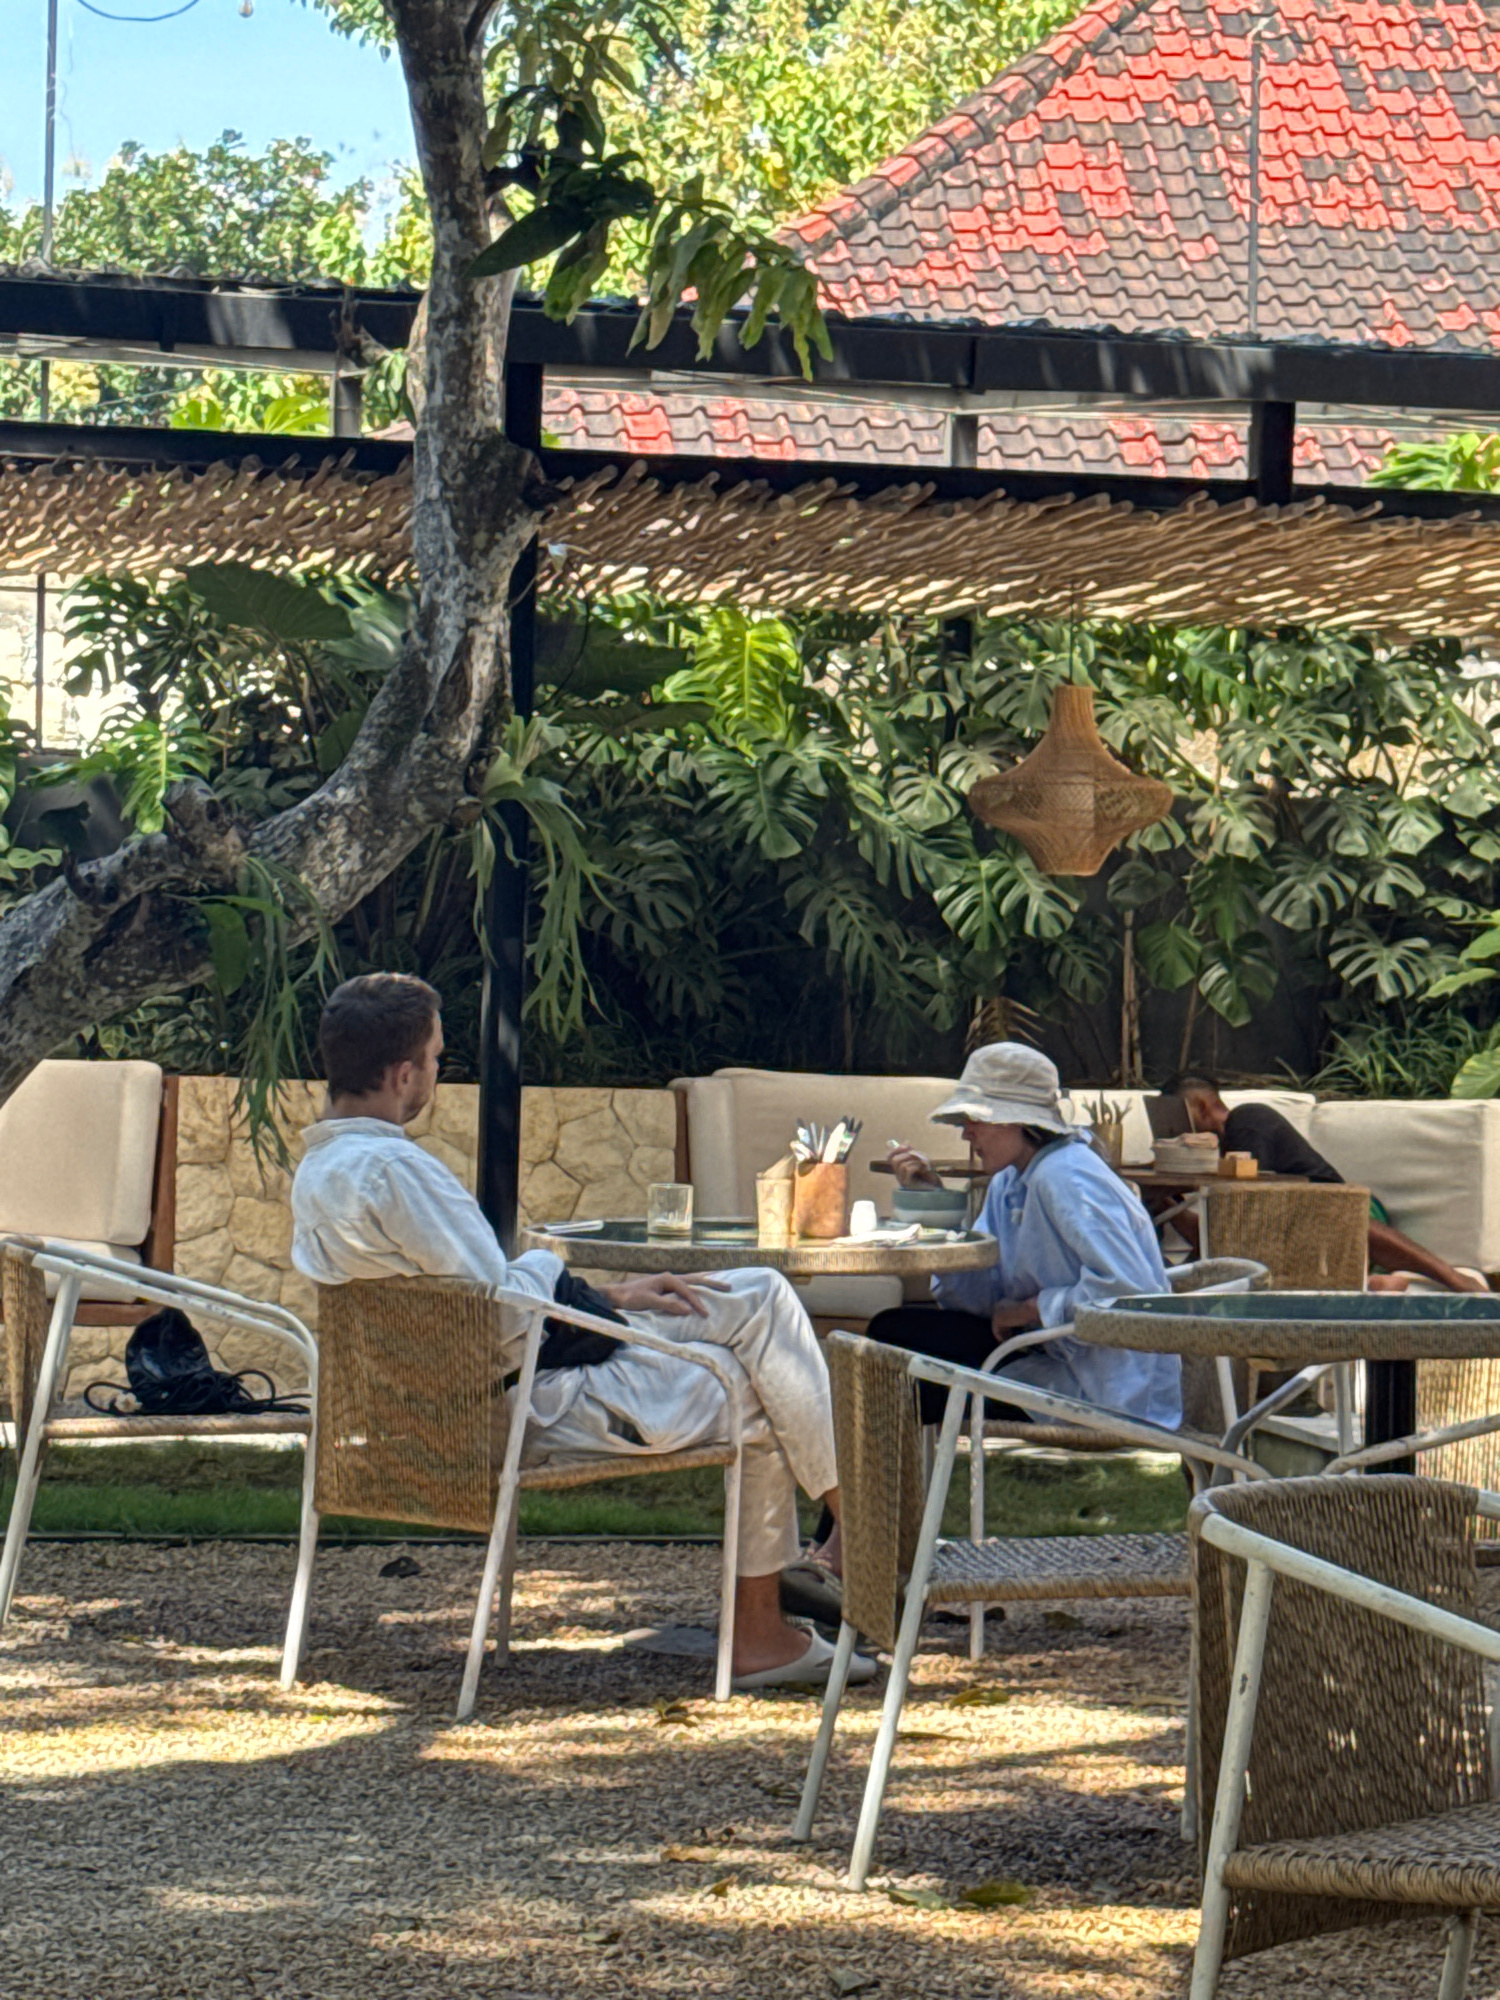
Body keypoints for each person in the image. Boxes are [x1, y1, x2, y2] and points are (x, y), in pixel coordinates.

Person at [290, 972, 873, 1690]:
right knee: (754, 1386)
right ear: (403, 1074)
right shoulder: (396, 1171)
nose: (439, 1073)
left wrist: (609, 1296)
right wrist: (552, 1272)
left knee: (760, 1294)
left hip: (453, 1400)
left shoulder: (322, 1171)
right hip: (523, 1406)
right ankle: (793, 1606)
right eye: (438, 1059)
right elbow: (501, 1315)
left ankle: (848, 1535)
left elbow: (465, 1299)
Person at [874, 1043, 1181, 1426]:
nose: (966, 1132)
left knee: (901, 1372)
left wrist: (1030, 1308)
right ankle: (898, 1459)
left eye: (975, 1118)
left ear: (1014, 1119)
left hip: (1108, 1388)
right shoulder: (1009, 1182)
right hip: (1046, 1353)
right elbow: (977, 1300)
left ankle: (895, 1461)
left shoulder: (1067, 1175)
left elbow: (1131, 1295)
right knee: (891, 1333)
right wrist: (933, 1201)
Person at [1170, 1075, 1487, 1295]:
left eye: (1179, 1117)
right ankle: (1370, 1282)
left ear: (1201, 1106)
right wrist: (1167, 1206)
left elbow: (1246, 1214)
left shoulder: (1246, 1121)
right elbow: (1234, 1236)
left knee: (1327, 1212)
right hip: (1311, 1238)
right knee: (1302, 1225)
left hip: (1353, 1210)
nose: (1179, 1131)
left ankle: (1454, 1279)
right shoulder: (1222, 1152)